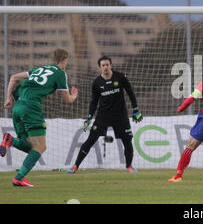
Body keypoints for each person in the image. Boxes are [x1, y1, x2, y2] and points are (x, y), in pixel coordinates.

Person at [1, 49, 78, 187]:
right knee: (41, 146)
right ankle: (19, 178)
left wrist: (7, 99)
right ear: (64, 60)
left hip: (17, 107)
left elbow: (13, 78)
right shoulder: (61, 74)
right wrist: (74, 96)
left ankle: (10, 140)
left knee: (30, 146)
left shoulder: (40, 69)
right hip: (31, 108)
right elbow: (66, 100)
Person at [67, 56, 143, 173]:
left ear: (111, 65)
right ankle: (75, 166)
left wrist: (136, 109)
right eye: (103, 65)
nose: (106, 67)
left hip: (120, 116)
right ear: (100, 67)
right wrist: (89, 117)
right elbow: (94, 101)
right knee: (90, 140)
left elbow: (130, 93)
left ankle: (129, 166)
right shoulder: (97, 83)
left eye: (107, 64)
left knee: (127, 141)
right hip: (103, 116)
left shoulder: (120, 77)